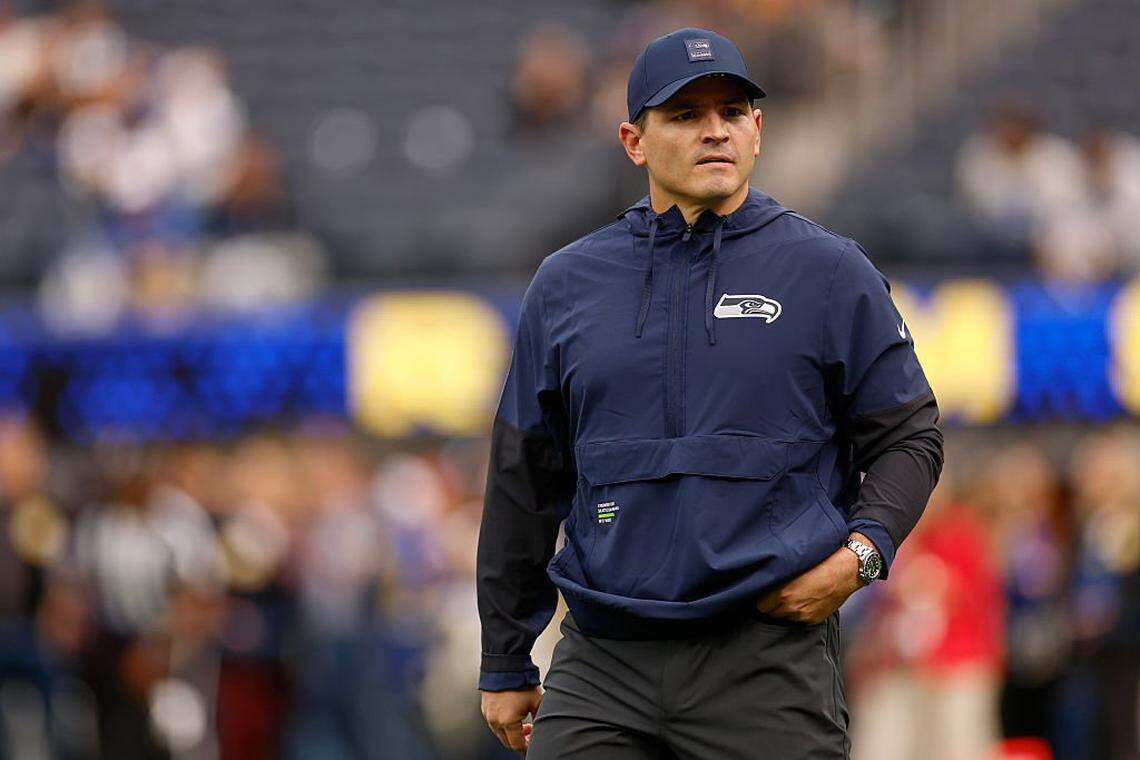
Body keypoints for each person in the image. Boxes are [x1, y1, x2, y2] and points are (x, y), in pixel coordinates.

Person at [476, 27, 944, 759]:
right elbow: (523, 478)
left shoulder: (828, 272)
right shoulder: (567, 284)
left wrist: (862, 555)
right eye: (687, 115)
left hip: (764, 655)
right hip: (604, 661)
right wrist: (506, 654)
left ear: (758, 130)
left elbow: (909, 436)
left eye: (732, 112)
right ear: (634, 140)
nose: (715, 130)